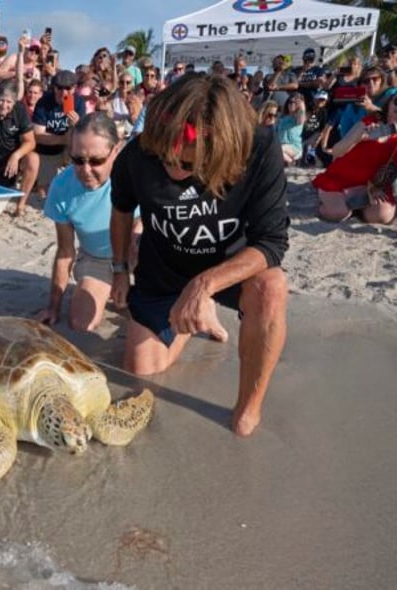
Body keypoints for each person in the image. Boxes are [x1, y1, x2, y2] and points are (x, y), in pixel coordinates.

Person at [110, 73, 289, 438]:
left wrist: (204, 285)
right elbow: (121, 210)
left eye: (188, 166)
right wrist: (119, 270)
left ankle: (247, 408)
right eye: (164, 158)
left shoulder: (259, 149)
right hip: (163, 269)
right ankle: (190, 316)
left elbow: (271, 243)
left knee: (272, 286)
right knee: (141, 370)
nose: (172, 170)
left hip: (230, 271)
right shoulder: (137, 153)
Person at [37, 113, 134, 331]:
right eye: (78, 160)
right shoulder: (61, 186)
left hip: (136, 258)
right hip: (96, 258)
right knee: (81, 324)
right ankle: (109, 288)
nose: (86, 170)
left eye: (97, 161)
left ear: (115, 151)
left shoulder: (133, 177)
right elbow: (65, 252)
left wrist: (123, 271)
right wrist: (53, 306)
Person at [312, 94, 397, 225]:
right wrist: (359, 137)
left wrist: (375, 186)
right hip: (341, 179)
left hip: (372, 184)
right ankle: (329, 201)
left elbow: (392, 169)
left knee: (382, 216)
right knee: (338, 213)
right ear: (389, 105)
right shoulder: (371, 121)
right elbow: (337, 151)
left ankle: (356, 207)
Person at [0, 79, 38, 215]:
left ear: (14, 102)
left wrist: (16, 156)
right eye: (1, 100)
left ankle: (20, 205)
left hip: (12, 158)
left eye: (9, 102)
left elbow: (31, 142)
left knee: (33, 159)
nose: (4, 105)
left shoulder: (20, 110)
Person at [32, 69, 86, 194]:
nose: (64, 92)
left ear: (74, 88)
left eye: (68, 88)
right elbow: (38, 135)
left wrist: (78, 124)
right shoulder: (44, 102)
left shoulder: (78, 102)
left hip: (71, 150)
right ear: (53, 87)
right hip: (48, 149)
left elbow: (83, 133)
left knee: (75, 184)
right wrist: (63, 139)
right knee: (44, 192)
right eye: (59, 88)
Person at [276, 92, 306, 165]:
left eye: (295, 102)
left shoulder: (297, 118)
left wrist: (302, 105)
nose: (292, 104)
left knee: (280, 148)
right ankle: (289, 161)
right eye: (290, 102)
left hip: (294, 147)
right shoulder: (282, 118)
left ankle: (291, 162)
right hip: (282, 146)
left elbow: (301, 119)